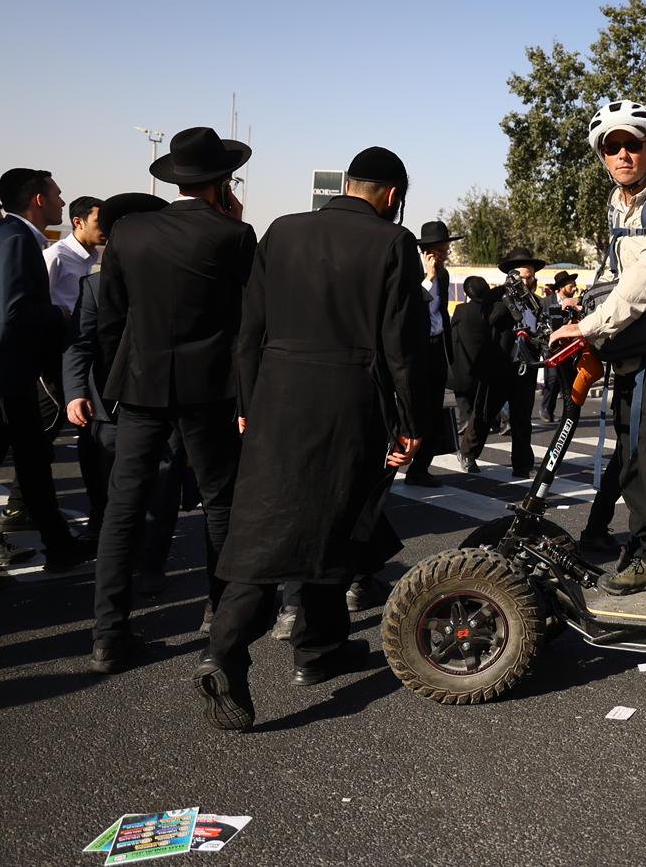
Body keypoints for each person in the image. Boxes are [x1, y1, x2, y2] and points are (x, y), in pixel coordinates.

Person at [196, 146, 430, 729]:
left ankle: (294, 647)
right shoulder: (392, 244)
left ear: (347, 184)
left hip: (277, 396)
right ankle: (280, 650)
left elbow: (248, 329)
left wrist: (248, 404)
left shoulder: (281, 231)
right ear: (393, 195)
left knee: (270, 523)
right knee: (337, 515)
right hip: (346, 399)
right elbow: (402, 346)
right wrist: (413, 422)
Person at [91, 127, 256, 674]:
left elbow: (111, 318)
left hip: (139, 384)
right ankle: (219, 615)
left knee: (123, 507)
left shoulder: (131, 232)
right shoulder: (233, 236)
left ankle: (108, 636)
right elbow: (243, 322)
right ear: (221, 182)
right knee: (219, 503)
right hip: (206, 387)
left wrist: (123, 373)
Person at [549, 99, 646, 616]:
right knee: (633, 461)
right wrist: (579, 315)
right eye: (611, 147)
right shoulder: (620, 206)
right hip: (632, 349)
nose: (622, 155)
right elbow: (615, 276)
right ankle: (645, 556)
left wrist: (591, 326)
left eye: (632, 145)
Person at [0, 169, 85, 575]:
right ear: (39, 200)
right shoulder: (14, 240)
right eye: (58, 195)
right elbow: (13, 310)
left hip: (1, 374)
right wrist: (59, 314)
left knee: (33, 462)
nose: (63, 202)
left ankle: (59, 546)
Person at [63, 193, 187, 553]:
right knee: (112, 491)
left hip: (166, 403)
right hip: (109, 407)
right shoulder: (93, 285)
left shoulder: (180, 281)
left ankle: (151, 562)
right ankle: (114, 554)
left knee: (162, 489)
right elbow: (79, 343)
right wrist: (75, 392)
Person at [403, 220, 459, 487]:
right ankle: (398, 462)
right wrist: (428, 279)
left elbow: (440, 313)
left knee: (434, 410)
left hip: (437, 348)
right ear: (427, 252)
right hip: (417, 350)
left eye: (446, 252)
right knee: (413, 409)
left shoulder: (445, 276)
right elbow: (411, 308)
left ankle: (421, 468)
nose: (444, 257)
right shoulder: (412, 273)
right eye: (440, 252)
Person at [487, 246, 545, 478]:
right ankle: (469, 452)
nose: (527, 281)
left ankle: (522, 465)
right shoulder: (499, 297)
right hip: (502, 364)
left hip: (526, 367)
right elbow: (492, 320)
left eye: (530, 277)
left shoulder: (538, 303)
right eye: (522, 277)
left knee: (522, 419)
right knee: (485, 413)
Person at [448, 275, 495, 474]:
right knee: (478, 409)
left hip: (461, 368)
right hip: (482, 369)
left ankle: (465, 425)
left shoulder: (461, 310)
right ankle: (468, 442)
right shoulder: (490, 310)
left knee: (467, 407)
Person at [43, 195, 104, 314]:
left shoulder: (93, 257)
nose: (105, 226)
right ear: (78, 222)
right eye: (98, 221)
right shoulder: (56, 256)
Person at [540, 271, 580, 422]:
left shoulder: (574, 303)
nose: (574, 289)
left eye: (575, 286)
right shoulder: (546, 302)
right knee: (552, 378)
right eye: (571, 286)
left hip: (569, 347)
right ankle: (545, 409)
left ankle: (565, 414)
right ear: (562, 287)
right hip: (551, 347)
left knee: (566, 381)